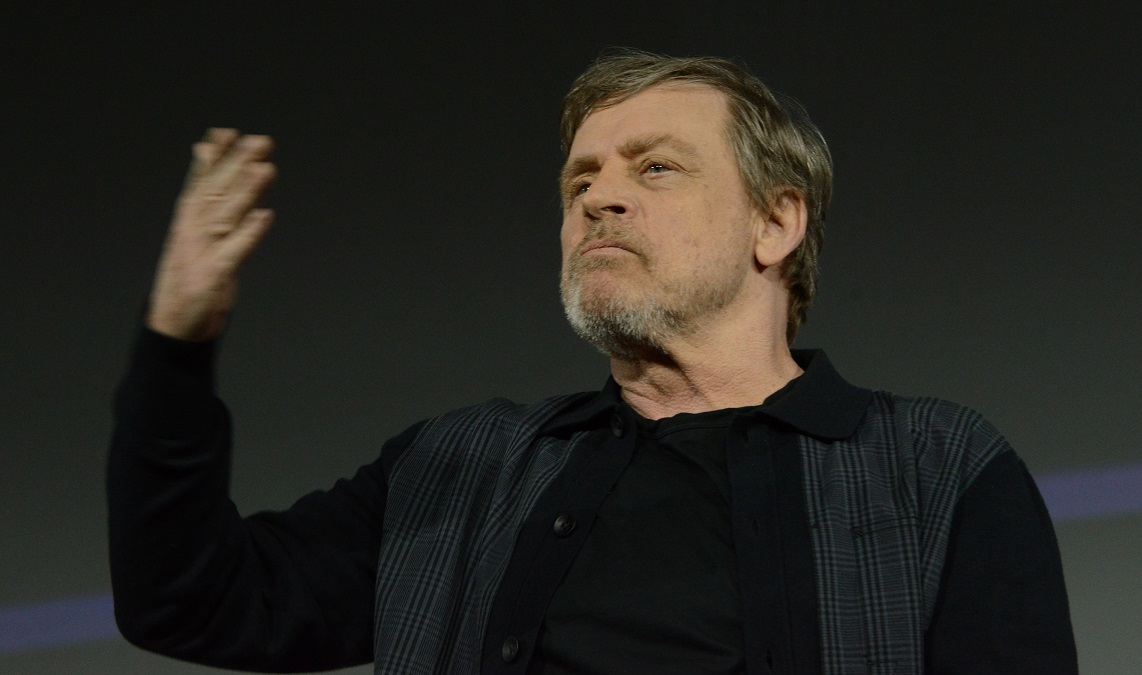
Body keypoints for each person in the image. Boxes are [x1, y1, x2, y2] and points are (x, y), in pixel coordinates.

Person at [108, 51, 1078, 674]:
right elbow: (190, 600)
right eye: (582, 179)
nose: (599, 199)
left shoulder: (933, 468)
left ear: (776, 221)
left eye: (654, 168)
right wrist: (176, 347)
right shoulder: (465, 468)